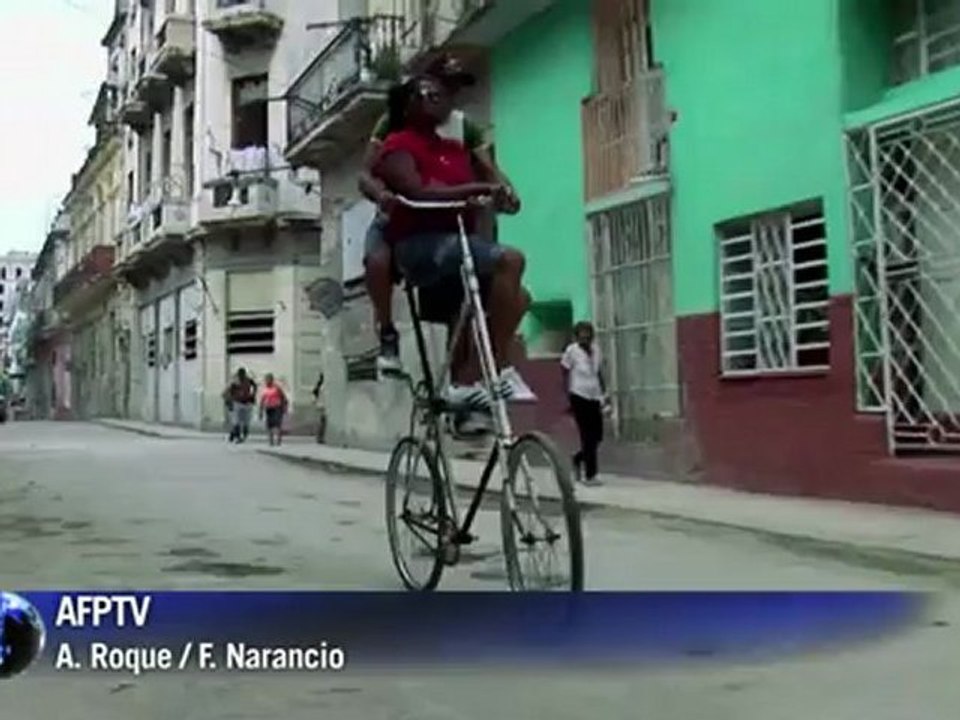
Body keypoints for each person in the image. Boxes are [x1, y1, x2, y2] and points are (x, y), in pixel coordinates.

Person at [373, 74, 532, 423]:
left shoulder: (457, 149)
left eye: (440, 94)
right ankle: (499, 367)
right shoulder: (398, 144)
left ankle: (477, 374)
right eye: (425, 94)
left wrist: (501, 192)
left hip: (460, 239)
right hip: (419, 245)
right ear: (408, 105)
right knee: (510, 259)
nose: (436, 99)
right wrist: (474, 189)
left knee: (520, 298)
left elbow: (490, 178)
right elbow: (415, 191)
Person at [561, 322, 610, 486]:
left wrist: (605, 393)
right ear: (576, 335)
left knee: (597, 436)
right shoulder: (571, 351)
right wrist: (566, 395)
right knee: (587, 435)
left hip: (594, 396)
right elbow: (564, 372)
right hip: (578, 396)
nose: (585, 336)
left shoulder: (596, 350)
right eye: (582, 333)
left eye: (588, 333)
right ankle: (591, 475)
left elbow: (599, 373)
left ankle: (578, 458)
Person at [223, 368, 256, 443]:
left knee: (245, 421)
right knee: (236, 421)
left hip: (247, 403)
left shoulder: (249, 381)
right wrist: (231, 400)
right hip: (237, 402)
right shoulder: (235, 382)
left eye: (243, 375)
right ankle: (237, 436)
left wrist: (252, 395)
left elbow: (254, 387)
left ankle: (241, 434)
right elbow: (229, 391)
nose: (241, 376)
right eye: (240, 375)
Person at [259, 374, 288, 447]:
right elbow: (262, 400)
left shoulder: (277, 388)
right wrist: (260, 411)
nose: (267, 381)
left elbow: (283, 398)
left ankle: (278, 441)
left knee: (278, 425)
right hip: (268, 408)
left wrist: (284, 407)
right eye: (266, 380)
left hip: (277, 407)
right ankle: (271, 441)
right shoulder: (264, 389)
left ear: (272, 380)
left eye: (269, 380)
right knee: (269, 425)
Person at [311, 371, 326, 443]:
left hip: (320, 404)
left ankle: (320, 437)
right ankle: (320, 438)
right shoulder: (322, 385)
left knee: (322, 421)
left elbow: (314, 393)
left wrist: (315, 401)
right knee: (323, 422)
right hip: (323, 405)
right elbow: (315, 393)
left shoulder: (319, 384)